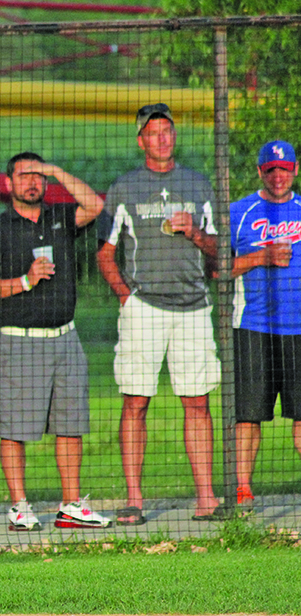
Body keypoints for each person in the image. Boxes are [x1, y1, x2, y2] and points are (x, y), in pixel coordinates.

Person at [0, 152, 111, 532]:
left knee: (71, 423)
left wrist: (57, 171)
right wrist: (25, 281)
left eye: (38, 176)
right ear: (8, 183)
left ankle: (71, 506)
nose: (33, 182)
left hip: (66, 338)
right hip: (20, 341)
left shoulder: (60, 218)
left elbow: (96, 205)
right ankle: (19, 507)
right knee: (16, 427)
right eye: (24, 175)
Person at [97, 103, 222, 523]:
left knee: (197, 402)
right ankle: (134, 498)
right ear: (141, 141)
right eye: (154, 132)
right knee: (135, 402)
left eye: (168, 130)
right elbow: (105, 254)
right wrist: (125, 298)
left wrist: (195, 232)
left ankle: (206, 497)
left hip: (193, 308)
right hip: (144, 308)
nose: (162, 138)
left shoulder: (198, 184)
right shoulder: (124, 188)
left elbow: (218, 250)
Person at [229, 140, 301, 506]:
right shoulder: (239, 211)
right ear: (260, 171)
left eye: (284, 169)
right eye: (271, 170)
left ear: (295, 170)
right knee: (249, 413)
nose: (278, 176)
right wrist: (261, 256)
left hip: (299, 328)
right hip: (254, 326)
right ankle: (243, 488)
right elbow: (218, 269)